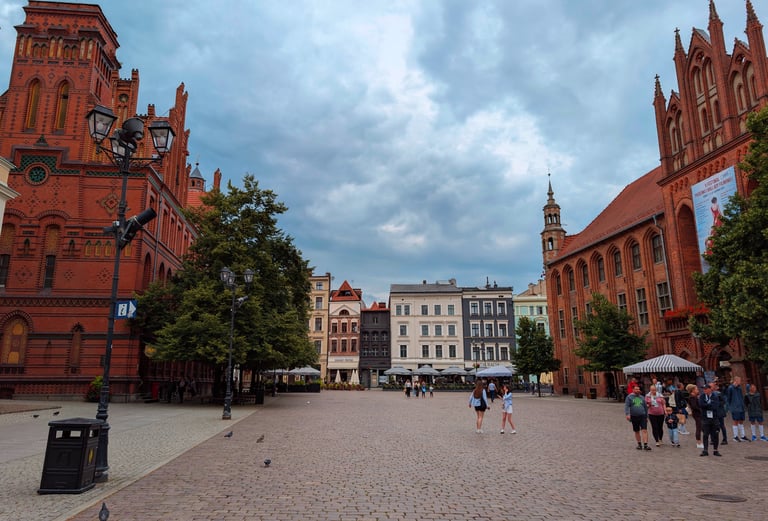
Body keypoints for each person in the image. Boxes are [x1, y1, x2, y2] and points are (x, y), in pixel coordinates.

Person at [624, 386, 651, 451]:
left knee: (644, 430)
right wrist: (627, 414)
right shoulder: (629, 397)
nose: (638, 390)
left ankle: (645, 444)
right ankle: (639, 444)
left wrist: (647, 416)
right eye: (636, 389)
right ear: (633, 390)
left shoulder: (642, 397)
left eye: (638, 389)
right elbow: (627, 406)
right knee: (636, 430)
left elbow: (645, 407)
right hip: (634, 416)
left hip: (642, 415)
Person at [699, 384, 722, 456]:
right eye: (703, 389)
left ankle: (715, 450)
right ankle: (705, 450)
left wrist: (707, 405)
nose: (704, 390)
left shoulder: (715, 396)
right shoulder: (702, 396)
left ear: (710, 389)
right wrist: (709, 405)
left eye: (706, 389)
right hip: (705, 418)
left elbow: (715, 406)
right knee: (705, 434)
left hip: (714, 418)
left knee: (715, 434)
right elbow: (701, 405)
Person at [725, 376, 748, 442]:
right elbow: (728, 398)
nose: (740, 382)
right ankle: (735, 436)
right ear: (736, 380)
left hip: (741, 407)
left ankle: (742, 436)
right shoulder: (730, 388)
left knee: (741, 421)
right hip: (735, 407)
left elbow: (741, 397)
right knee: (735, 421)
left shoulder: (739, 388)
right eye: (739, 380)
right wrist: (731, 406)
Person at [687, 384, 704, 450]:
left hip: (698, 413)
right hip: (697, 414)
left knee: (702, 426)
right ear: (693, 390)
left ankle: (705, 438)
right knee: (699, 427)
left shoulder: (695, 396)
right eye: (696, 389)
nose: (698, 390)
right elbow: (694, 406)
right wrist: (700, 408)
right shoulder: (692, 397)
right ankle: (698, 442)